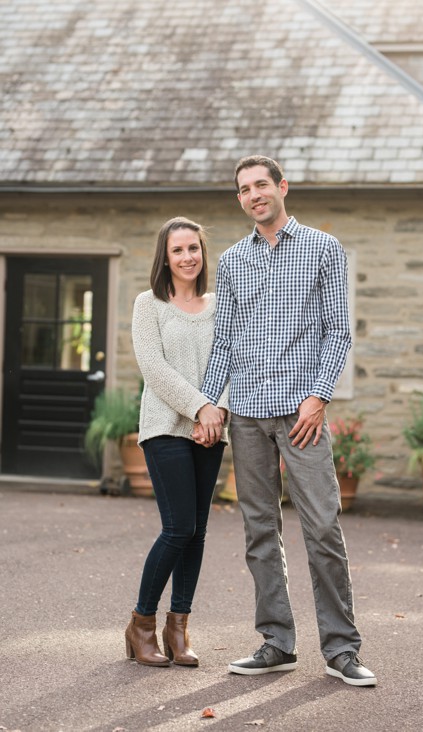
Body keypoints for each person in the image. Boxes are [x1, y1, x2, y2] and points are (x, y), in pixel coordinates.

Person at [197, 155, 375, 687]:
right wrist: (209, 403)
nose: (255, 194)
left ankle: (342, 649)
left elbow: (337, 332)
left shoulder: (323, 248)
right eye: (245, 189)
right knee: (260, 531)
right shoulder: (230, 262)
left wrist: (318, 397)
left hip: (302, 416)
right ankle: (277, 642)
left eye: (262, 185)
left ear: (282, 188)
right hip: (247, 417)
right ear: (240, 199)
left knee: (322, 527)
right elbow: (224, 342)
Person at [126, 217, 229, 667]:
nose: (188, 257)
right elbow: (153, 366)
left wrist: (218, 411)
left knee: (199, 533)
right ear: (164, 257)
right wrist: (200, 408)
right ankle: (141, 625)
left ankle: (178, 627)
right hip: (165, 427)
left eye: (194, 248)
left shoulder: (221, 304)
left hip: (212, 431)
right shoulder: (148, 304)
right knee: (178, 528)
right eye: (178, 250)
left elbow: (232, 360)